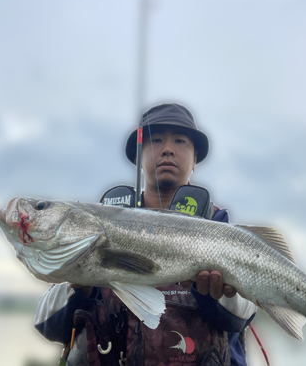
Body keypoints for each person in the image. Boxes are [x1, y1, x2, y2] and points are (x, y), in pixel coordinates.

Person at [35, 103, 256, 366]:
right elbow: (46, 322)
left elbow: (244, 313)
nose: (167, 149)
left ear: (195, 158)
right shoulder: (96, 226)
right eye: (156, 140)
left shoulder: (218, 224)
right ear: (140, 156)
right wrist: (79, 284)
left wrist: (215, 292)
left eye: (180, 140)